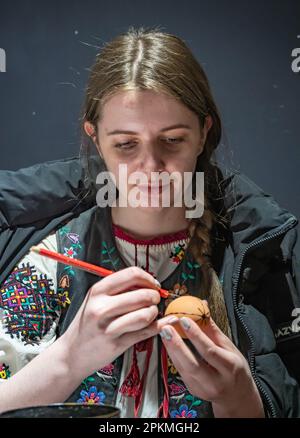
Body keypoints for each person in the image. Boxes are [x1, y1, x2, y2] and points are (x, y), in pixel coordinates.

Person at [0, 27, 300, 418]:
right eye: (125, 144)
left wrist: (238, 397)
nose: (151, 167)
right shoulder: (49, 256)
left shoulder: (260, 258)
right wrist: (68, 359)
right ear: (95, 139)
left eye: (172, 140)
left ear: (203, 132)